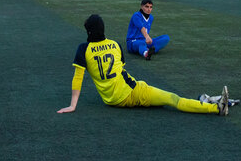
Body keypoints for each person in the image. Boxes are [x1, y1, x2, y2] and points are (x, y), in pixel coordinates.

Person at [58, 15, 227, 115]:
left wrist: (73, 105)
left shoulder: (84, 49)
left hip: (111, 100)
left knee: (160, 100)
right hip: (132, 91)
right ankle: (215, 109)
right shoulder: (114, 44)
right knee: (172, 99)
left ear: (88, 31)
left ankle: (208, 103)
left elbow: (77, 78)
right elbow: (121, 69)